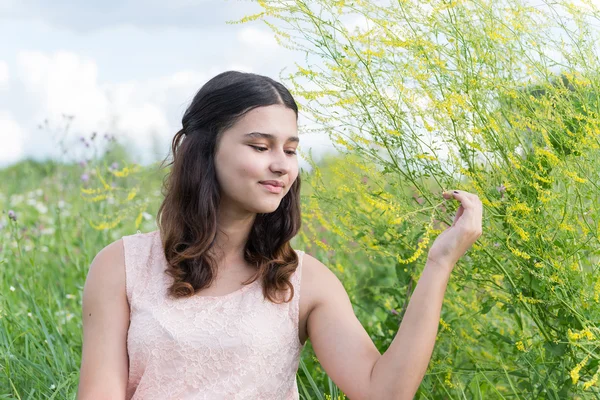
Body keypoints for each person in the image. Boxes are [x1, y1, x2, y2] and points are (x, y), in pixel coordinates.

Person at [76, 71, 483, 400]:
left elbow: (385, 393)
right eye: (259, 146)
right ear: (203, 150)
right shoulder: (122, 265)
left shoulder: (304, 281)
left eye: (290, 150)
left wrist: (439, 262)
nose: (281, 165)